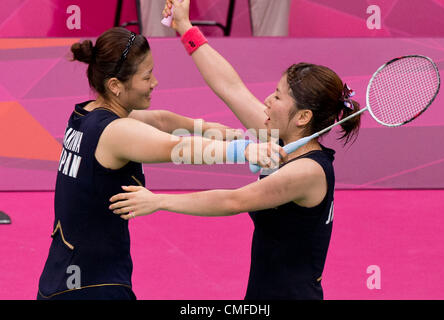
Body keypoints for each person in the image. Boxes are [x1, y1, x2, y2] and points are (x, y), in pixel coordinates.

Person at [109, 0, 362, 300]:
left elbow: (233, 201)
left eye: (278, 97)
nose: (267, 100)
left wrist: (160, 201)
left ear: (303, 117)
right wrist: (185, 27)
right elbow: (230, 87)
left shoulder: (308, 171)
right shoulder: (279, 137)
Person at [36, 26, 282, 300]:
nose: (154, 82)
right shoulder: (116, 133)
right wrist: (245, 151)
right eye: (146, 76)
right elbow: (178, 147)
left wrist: (208, 127)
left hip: (61, 277)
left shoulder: (87, 114)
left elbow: (160, 120)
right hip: (92, 286)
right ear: (116, 85)